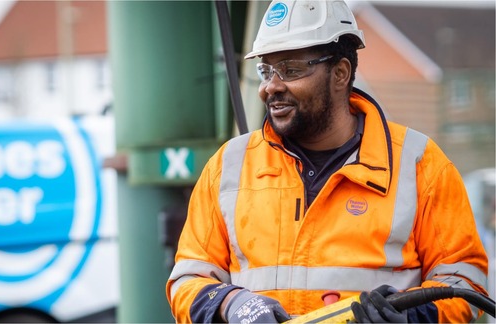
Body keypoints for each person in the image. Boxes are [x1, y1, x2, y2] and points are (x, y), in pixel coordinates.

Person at [166, 0, 489, 323]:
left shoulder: (419, 164)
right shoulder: (229, 165)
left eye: (290, 70)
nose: (270, 87)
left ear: (340, 73)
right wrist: (231, 303)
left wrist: (410, 318)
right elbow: (187, 280)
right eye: (265, 70)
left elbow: (463, 282)